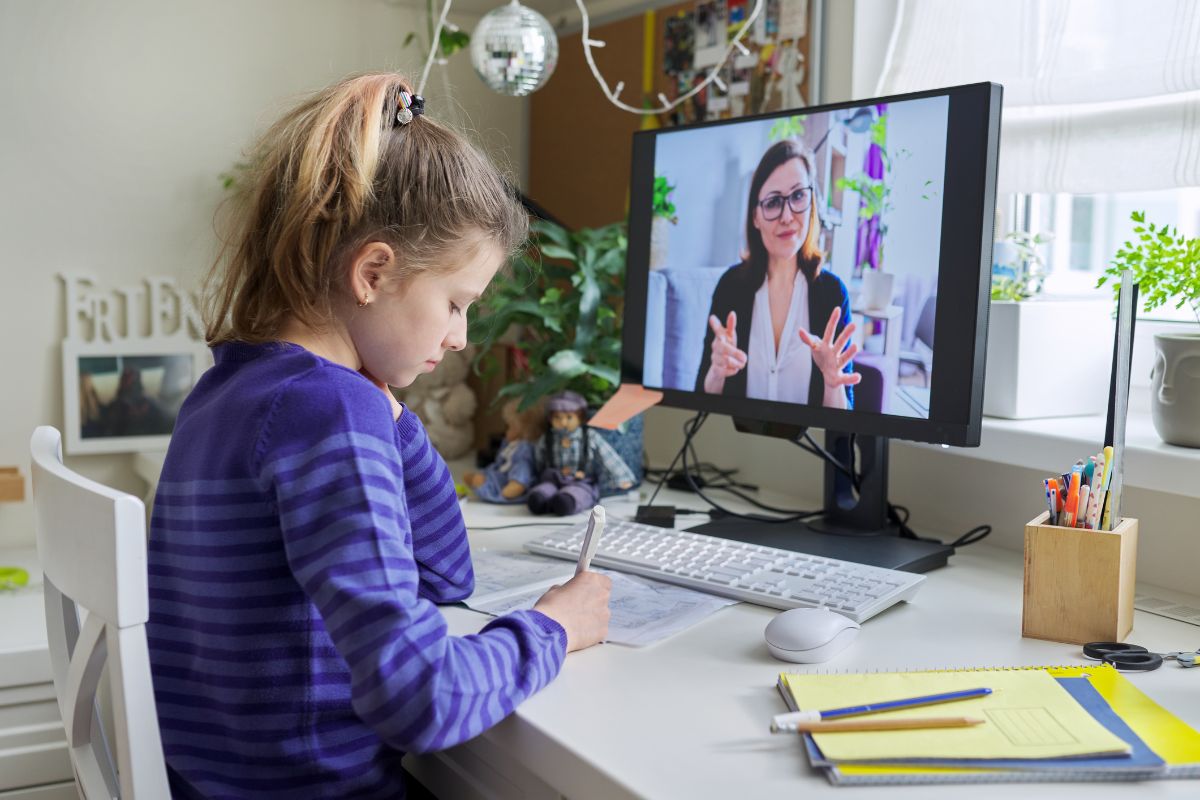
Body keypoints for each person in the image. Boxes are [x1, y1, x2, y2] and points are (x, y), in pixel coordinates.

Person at [146, 73, 612, 799]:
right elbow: (423, 701)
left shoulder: (226, 392)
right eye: (456, 304)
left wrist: (396, 418)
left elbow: (447, 576)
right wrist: (552, 627)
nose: (459, 337)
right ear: (374, 272)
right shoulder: (327, 413)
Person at [695, 139, 860, 408]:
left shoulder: (832, 293)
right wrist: (716, 372)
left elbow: (841, 431)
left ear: (812, 204)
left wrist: (832, 383)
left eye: (797, 196)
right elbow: (701, 402)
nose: (786, 216)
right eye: (773, 203)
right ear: (755, 217)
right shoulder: (730, 286)